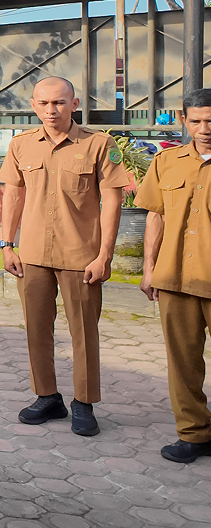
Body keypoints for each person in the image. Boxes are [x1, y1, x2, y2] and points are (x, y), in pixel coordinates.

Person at [0, 77, 131, 436]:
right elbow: (13, 195)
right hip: (32, 254)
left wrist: (104, 255)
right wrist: (6, 244)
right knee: (36, 329)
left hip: (81, 256)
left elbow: (113, 201)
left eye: (58, 102)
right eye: (43, 103)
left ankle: (84, 403)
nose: (51, 110)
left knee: (83, 332)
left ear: (74, 104)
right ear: (33, 105)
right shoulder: (21, 145)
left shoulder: (98, 144)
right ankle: (47, 397)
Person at [137, 87, 211, 463]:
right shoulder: (166, 162)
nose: (204, 128)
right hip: (175, 278)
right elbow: (156, 215)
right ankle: (194, 434)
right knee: (182, 362)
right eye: (196, 121)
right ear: (183, 120)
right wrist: (149, 268)